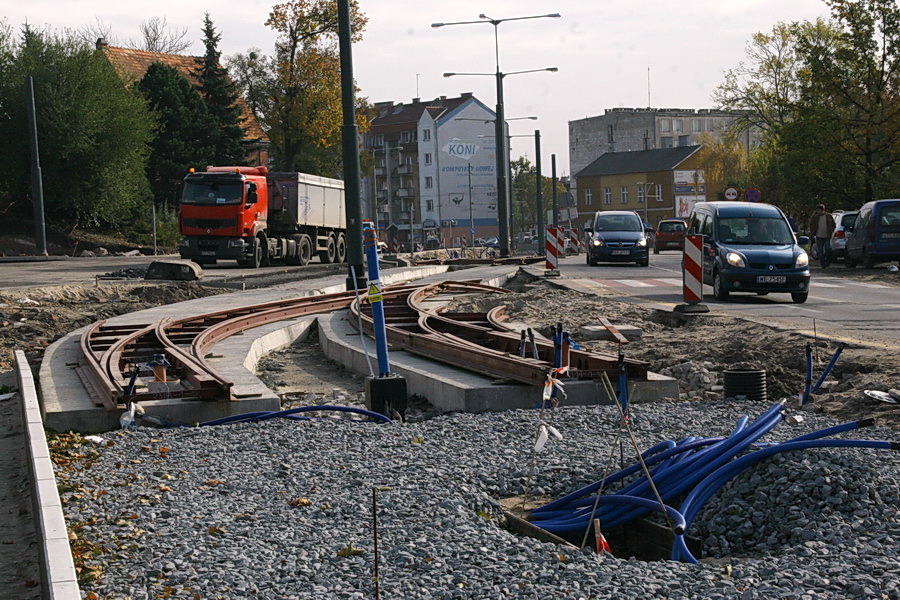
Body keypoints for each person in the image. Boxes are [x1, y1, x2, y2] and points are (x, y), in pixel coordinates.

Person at [808, 203, 836, 268]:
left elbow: (833, 225)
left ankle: (827, 262)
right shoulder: (815, 217)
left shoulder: (829, 216)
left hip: (827, 236)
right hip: (818, 236)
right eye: (817, 210)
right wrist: (812, 233)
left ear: (823, 210)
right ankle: (822, 264)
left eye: (819, 210)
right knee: (820, 251)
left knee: (827, 249)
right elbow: (811, 224)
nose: (818, 211)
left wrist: (831, 231)